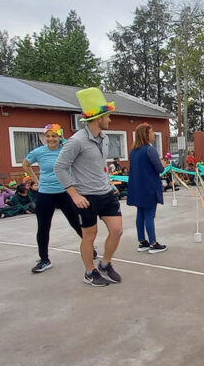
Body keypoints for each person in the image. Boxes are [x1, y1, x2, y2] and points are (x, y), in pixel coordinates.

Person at [54, 87, 123, 287]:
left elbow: (98, 165)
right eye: (108, 116)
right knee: (89, 236)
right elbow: (59, 167)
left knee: (117, 231)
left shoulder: (105, 138)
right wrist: (74, 194)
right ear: (98, 118)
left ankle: (105, 264)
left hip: (106, 193)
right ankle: (89, 272)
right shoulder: (76, 141)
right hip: (86, 197)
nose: (110, 120)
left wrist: (109, 182)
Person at [127, 123, 167, 254]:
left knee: (140, 215)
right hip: (149, 187)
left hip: (138, 188)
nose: (154, 133)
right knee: (149, 215)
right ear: (146, 135)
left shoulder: (134, 151)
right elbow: (159, 169)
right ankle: (153, 243)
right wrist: (162, 164)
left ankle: (142, 241)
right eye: (152, 131)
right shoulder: (150, 150)